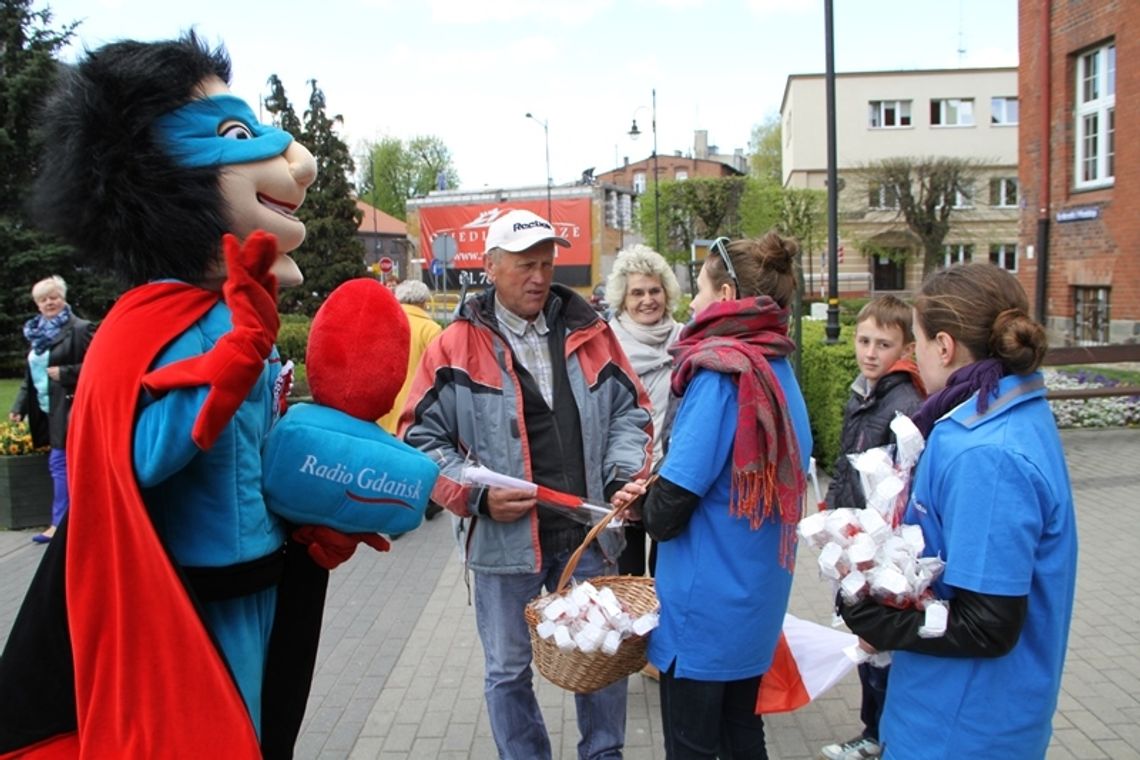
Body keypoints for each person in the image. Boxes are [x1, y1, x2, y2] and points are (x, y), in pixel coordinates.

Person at [0, 34, 347, 758]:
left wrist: (320, 513)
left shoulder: (228, 309)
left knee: (260, 728)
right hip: (192, 594)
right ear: (155, 169)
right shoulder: (149, 324)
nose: (298, 164)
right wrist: (231, 362)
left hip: (261, 572)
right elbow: (138, 462)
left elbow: (255, 452)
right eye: (231, 134)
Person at [402, 208, 654, 760]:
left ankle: (604, 754)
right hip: (503, 544)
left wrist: (618, 479)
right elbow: (419, 438)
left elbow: (631, 412)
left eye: (546, 263)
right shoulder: (454, 346)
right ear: (490, 267)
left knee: (602, 655)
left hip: (586, 533)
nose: (538, 276)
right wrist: (478, 498)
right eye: (524, 265)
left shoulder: (592, 332)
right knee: (508, 670)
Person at [839, 262, 1078, 759]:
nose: (915, 355)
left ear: (944, 347)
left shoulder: (985, 452)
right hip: (961, 713)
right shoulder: (1005, 412)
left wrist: (876, 621)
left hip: (962, 726)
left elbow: (987, 624)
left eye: (918, 342)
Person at [616, 232, 813, 759]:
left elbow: (672, 506)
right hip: (757, 601)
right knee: (743, 736)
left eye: (699, 289)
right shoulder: (780, 366)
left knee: (692, 746)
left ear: (726, 296)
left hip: (703, 609)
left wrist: (643, 503)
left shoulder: (722, 373)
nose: (694, 302)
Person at [820, 296, 925, 760]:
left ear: (905, 347)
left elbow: (900, 481)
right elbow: (849, 464)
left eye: (884, 344)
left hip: (879, 546)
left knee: (877, 643)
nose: (870, 352)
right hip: (854, 540)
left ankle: (879, 736)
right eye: (864, 340)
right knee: (865, 638)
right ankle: (875, 732)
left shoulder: (903, 400)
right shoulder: (864, 391)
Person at [604, 244, 684, 577]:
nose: (647, 299)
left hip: (673, 476)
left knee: (668, 577)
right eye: (637, 293)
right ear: (623, 299)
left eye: (654, 290)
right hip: (625, 478)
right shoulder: (606, 346)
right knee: (628, 579)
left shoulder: (685, 341)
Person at [9, 276, 96, 544]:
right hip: (47, 410)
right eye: (43, 299)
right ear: (37, 304)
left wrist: (66, 373)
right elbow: (30, 376)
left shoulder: (81, 329)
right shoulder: (37, 334)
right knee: (65, 464)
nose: (49, 302)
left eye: (54, 297)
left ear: (64, 298)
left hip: (72, 407)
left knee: (59, 463)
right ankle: (75, 522)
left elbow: (99, 366)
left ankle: (59, 524)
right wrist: (19, 406)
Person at [379, 279, 441, 434]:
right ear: (424, 302)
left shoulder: (385, 322)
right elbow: (438, 373)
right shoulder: (431, 329)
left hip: (382, 409)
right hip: (413, 410)